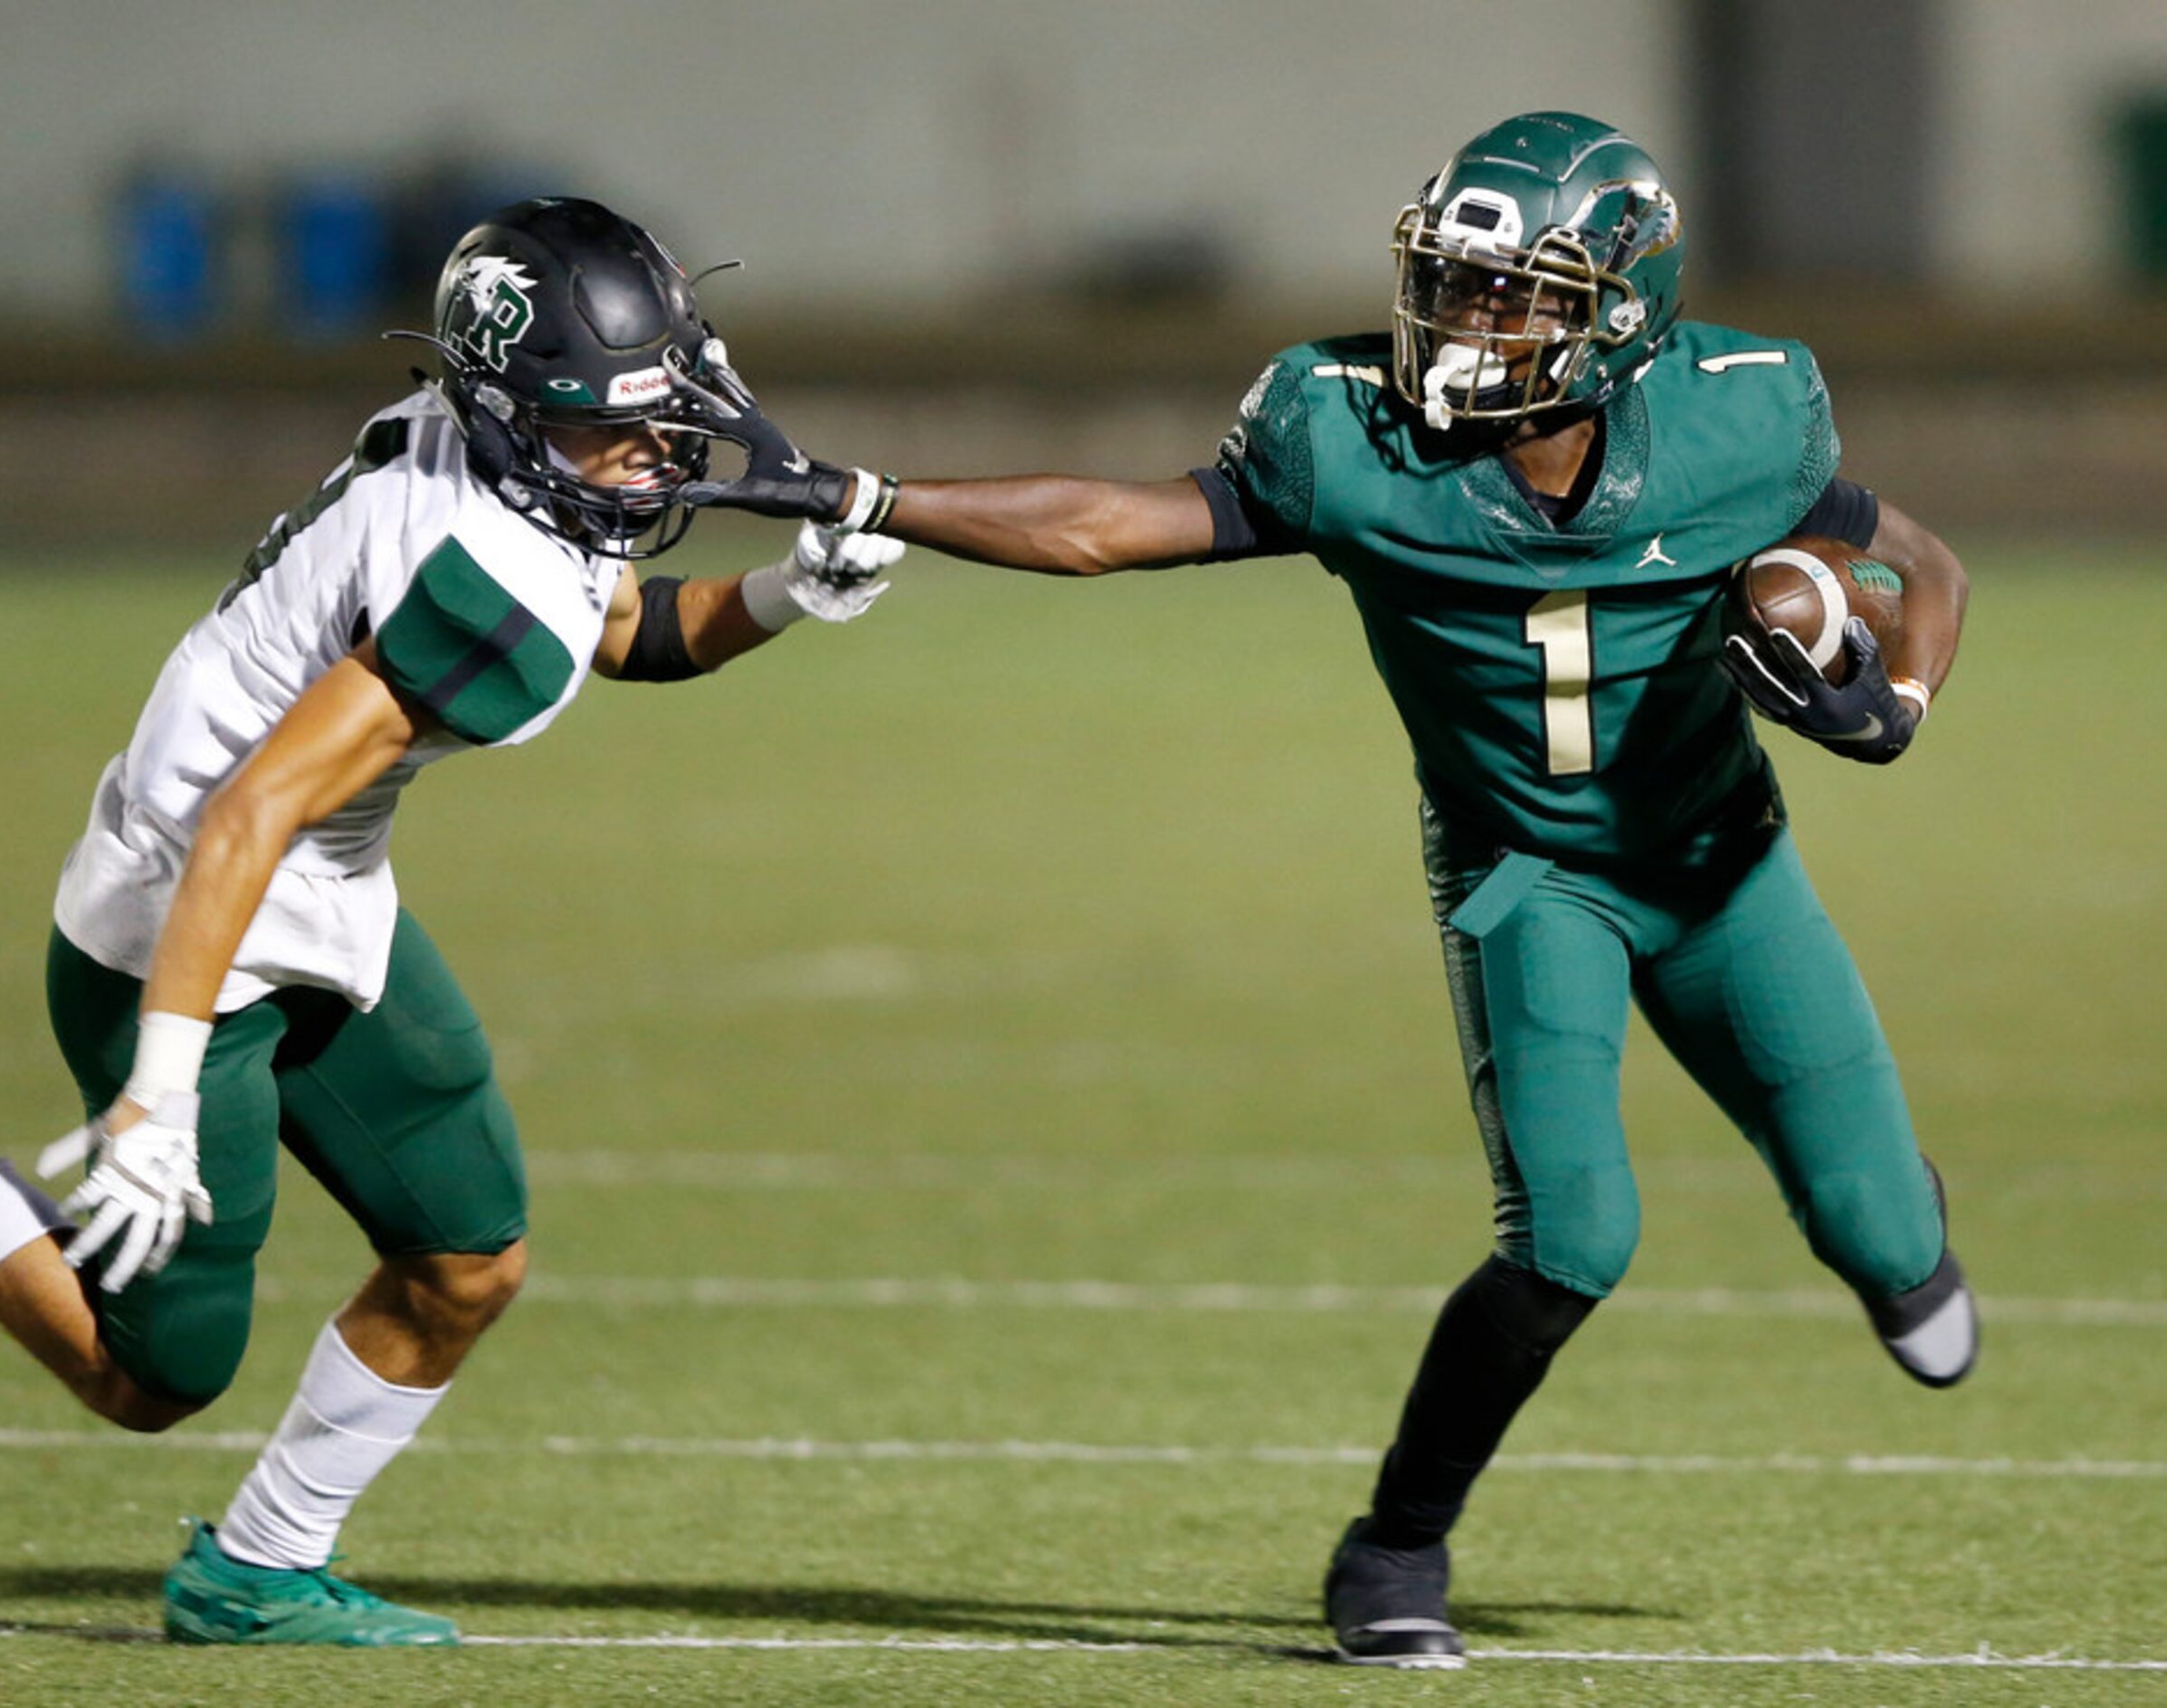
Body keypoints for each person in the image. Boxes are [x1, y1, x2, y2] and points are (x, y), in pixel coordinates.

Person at [680, 111, 1977, 1670]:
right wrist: (862, 491)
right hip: (1526, 873)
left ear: (1621, 316)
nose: (1462, 327)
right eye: (1452, 283)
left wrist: (1889, 699)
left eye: (1518, 300)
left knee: (1891, 1255)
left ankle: (1889, 1216)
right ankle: (1393, 1549)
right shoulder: (1345, 429)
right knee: (1573, 1236)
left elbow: (1924, 568)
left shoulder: (1738, 420)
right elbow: (1108, 525)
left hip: (1721, 866)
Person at [0, 196, 896, 1645]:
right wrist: (158, 1094)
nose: (648, 451)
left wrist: (778, 592)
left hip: (312, 883)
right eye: (599, 426)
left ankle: (253, 1570)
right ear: (511, 424)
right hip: (182, 915)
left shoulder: (493, 471)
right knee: (153, 1374)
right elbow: (251, 811)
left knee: (465, 1253)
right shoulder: (485, 569)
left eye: (660, 407)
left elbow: (617, 623)